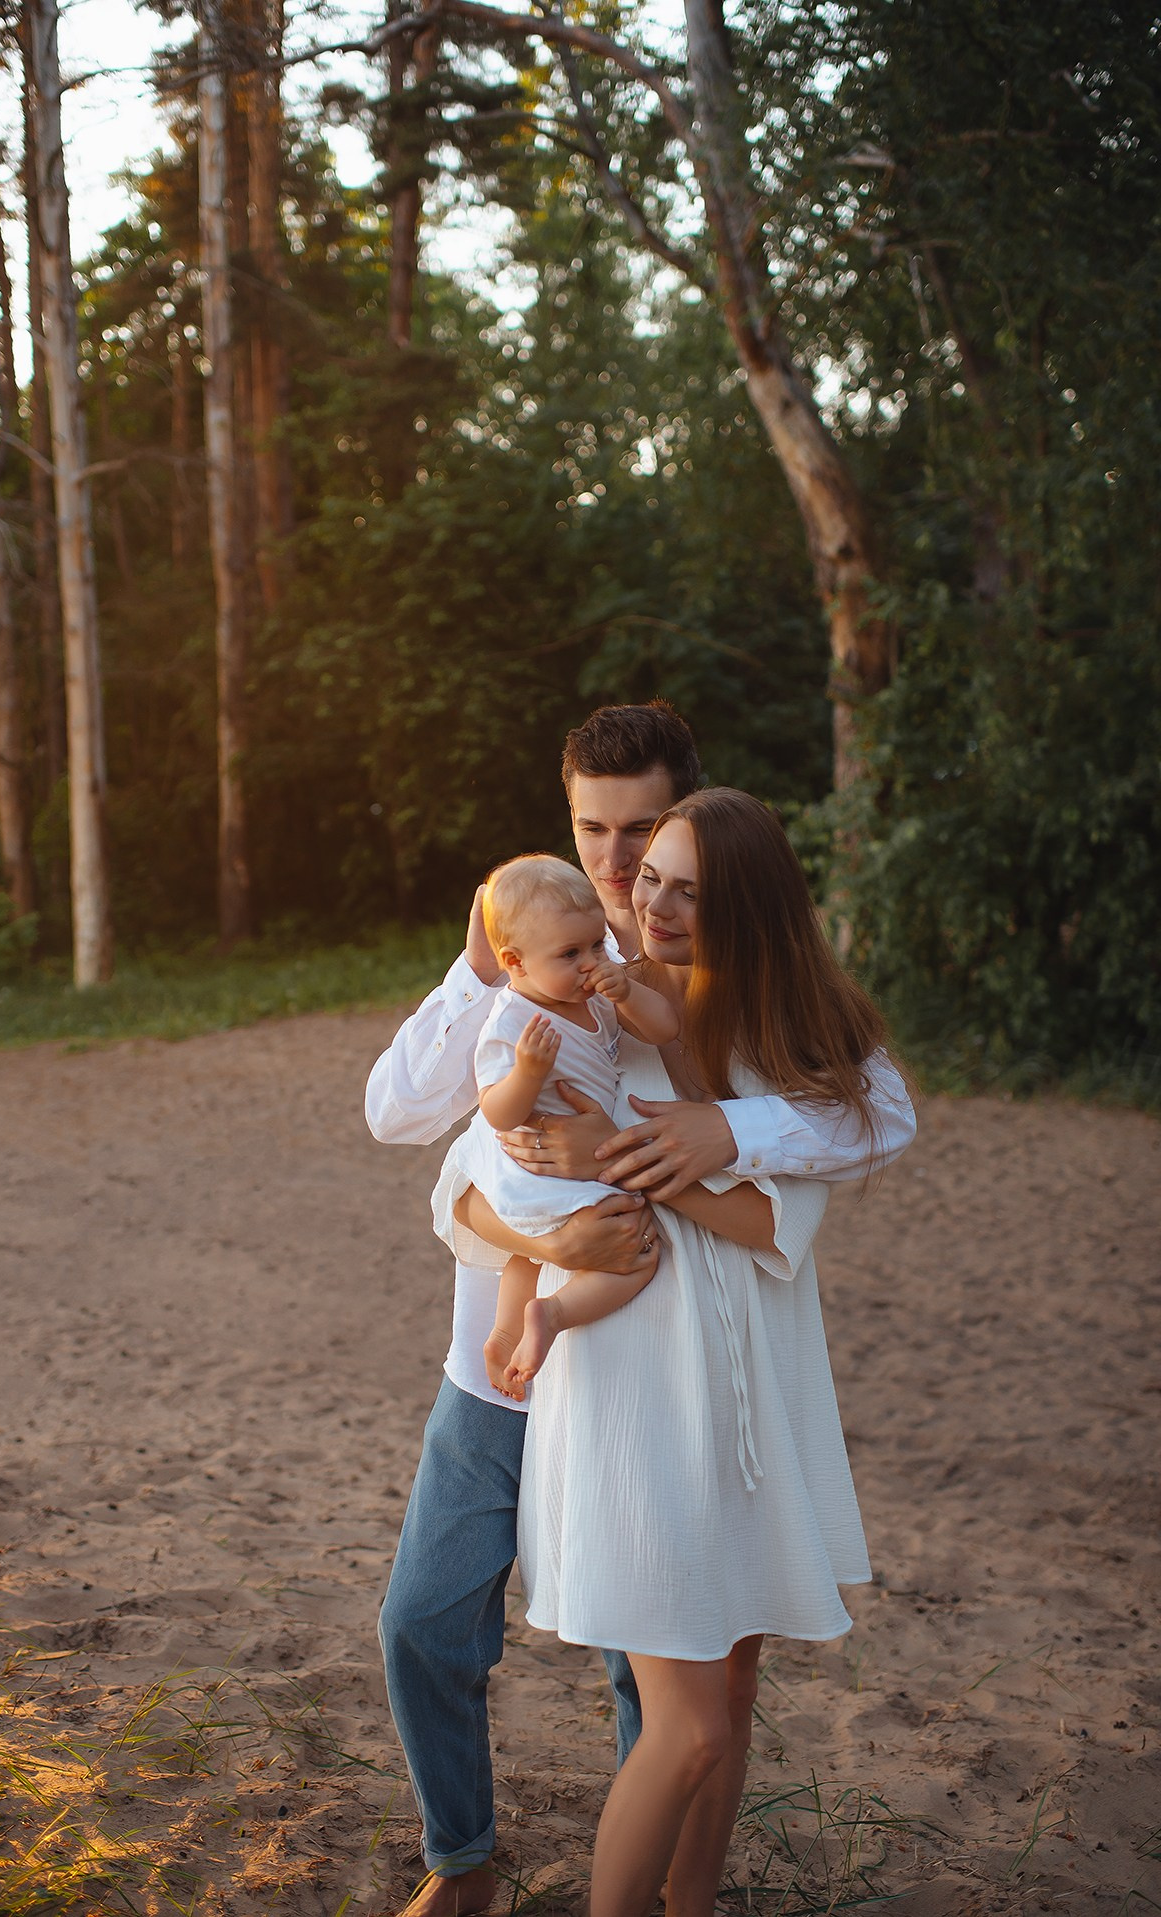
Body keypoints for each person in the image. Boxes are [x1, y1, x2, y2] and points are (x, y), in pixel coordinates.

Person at [365, 703, 916, 1917]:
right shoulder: (536, 959)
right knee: (424, 1623)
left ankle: (675, 1889)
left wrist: (722, 1132)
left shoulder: (700, 981)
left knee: (674, 1675)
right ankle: (463, 1864)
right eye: (594, 833)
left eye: (641, 839)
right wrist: (480, 967)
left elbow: (868, 1108)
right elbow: (421, 1138)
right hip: (500, 1362)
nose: (618, 870)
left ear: (679, 816)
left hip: (651, 1382)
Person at [468, 854, 679, 1399]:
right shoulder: (511, 1022)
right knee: (637, 1257)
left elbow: (664, 1029)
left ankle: (507, 1333)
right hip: (548, 1165)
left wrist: (627, 992)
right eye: (570, 954)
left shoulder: (595, 999)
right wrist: (527, 1071)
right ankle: (551, 1315)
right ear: (514, 962)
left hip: (572, 1159)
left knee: (529, 1251)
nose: (590, 964)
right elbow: (496, 1111)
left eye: (596, 946)